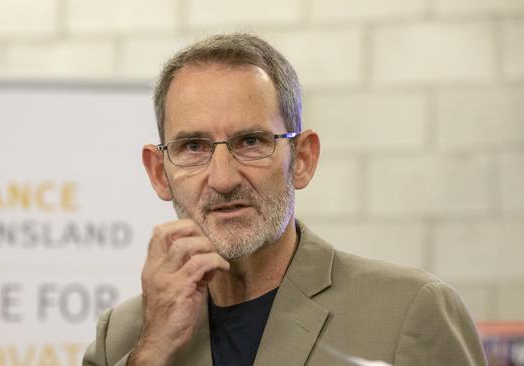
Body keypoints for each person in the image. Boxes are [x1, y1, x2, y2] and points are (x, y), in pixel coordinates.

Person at [83, 33, 487, 366]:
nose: (223, 179)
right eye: (193, 146)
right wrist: (150, 353)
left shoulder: (406, 312)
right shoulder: (121, 337)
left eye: (252, 141)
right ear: (159, 172)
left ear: (303, 159)